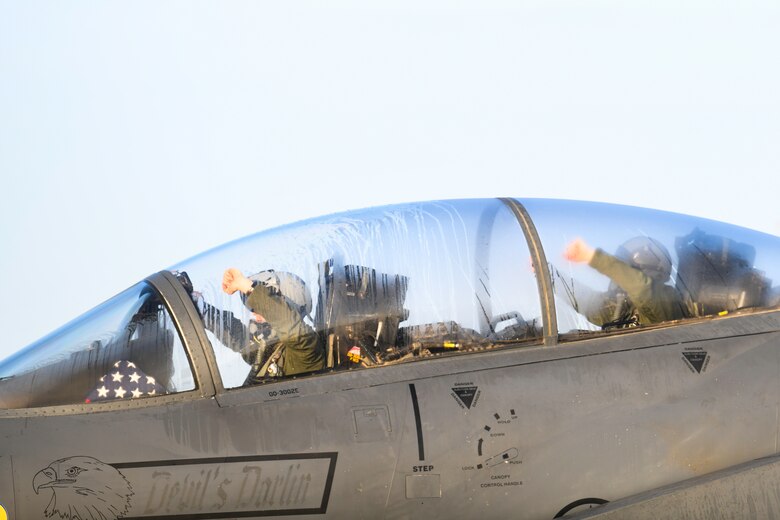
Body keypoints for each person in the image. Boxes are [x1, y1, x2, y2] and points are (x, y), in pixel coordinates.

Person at [197, 268, 325, 383]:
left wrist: (248, 287)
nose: (255, 316)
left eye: (260, 309)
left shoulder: (307, 349)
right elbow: (240, 338)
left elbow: (290, 326)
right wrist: (201, 308)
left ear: (289, 308)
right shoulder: (269, 351)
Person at [561, 237, 688, 328]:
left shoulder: (665, 303)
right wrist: (551, 276)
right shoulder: (624, 308)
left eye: (626, 272)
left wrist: (590, 256)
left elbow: (641, 288)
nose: (619, 281)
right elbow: (587, 302)